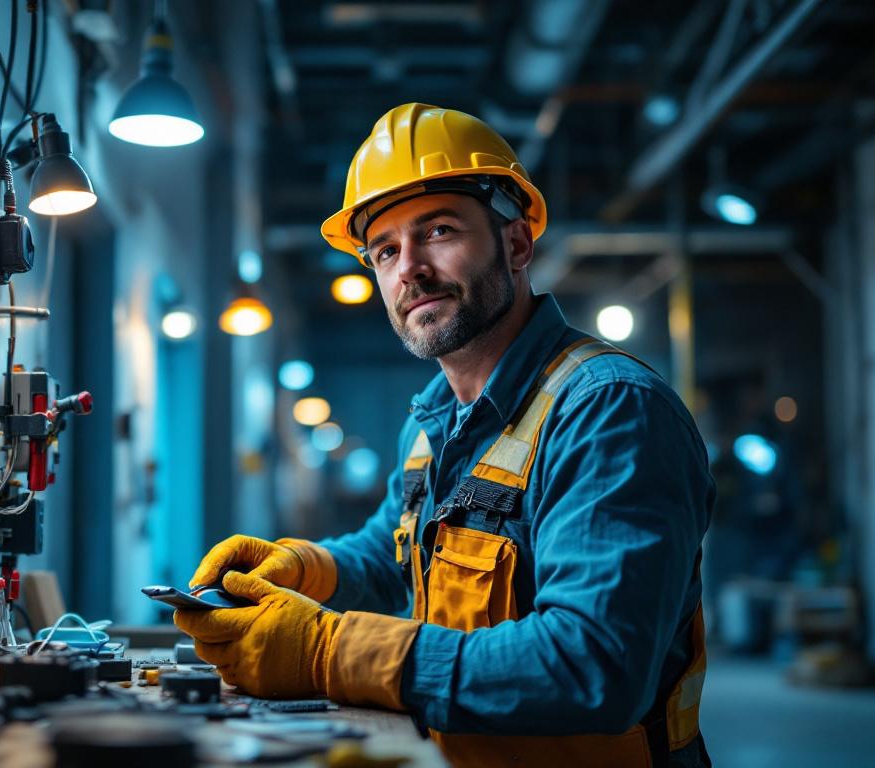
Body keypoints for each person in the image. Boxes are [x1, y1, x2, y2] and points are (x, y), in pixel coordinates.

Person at [174, 103, 714, 768]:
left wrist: (328, 651)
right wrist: (302, 568)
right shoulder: (434, 419)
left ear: (516, 245)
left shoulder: (607, 411)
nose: (411, 269)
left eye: (438, 230)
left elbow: (592, 666)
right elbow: (391, 555)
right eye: (385, 250)